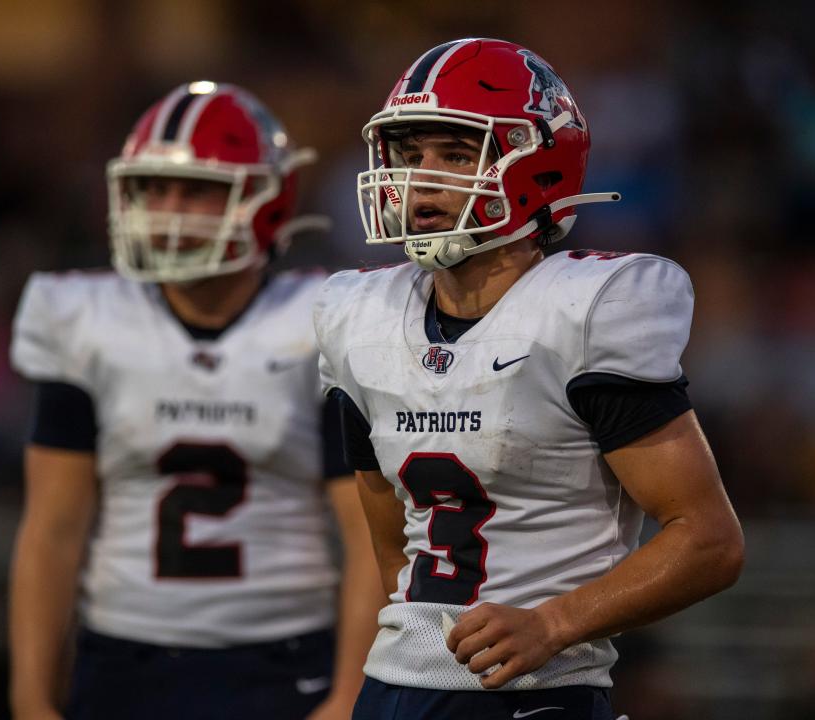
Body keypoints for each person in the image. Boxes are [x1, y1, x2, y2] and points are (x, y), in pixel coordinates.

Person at [315, 38, 745, 720]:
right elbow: (392, 547)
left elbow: (709, 541)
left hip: (534, 695)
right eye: (409, 154)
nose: (422, 178)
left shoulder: (588, 307)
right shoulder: (358, 317)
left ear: (535, 168)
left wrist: (554, 622)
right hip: (390, 687)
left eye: (455, 154)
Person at [8, 81, 383, 720]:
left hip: (283, 659)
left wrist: (348, 693)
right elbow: (52, 528)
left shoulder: (319, 320)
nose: (167, 210)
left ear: (264, 201)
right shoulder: (83, 319)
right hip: (122, 660)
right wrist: (32, 696)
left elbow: (368, 533)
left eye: (197, 191)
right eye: (154, 188)